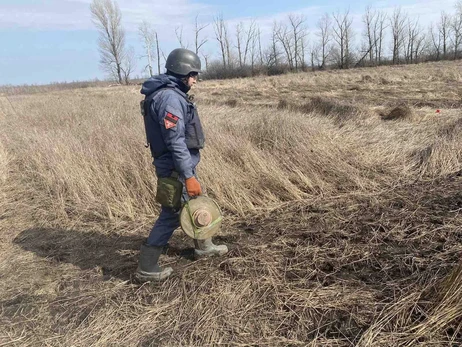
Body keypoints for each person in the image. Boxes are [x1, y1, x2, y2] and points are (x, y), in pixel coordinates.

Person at [136, 48, 228, 282]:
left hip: (178, 165)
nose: (195, 80)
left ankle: (204, 246)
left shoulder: (169, 94)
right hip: (175, 167)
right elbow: (175, 141)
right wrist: (188, 175)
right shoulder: (169, 99)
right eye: (193, 75)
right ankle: (147, 266)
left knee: (193, 202)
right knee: (170, 214)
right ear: (182, 72)